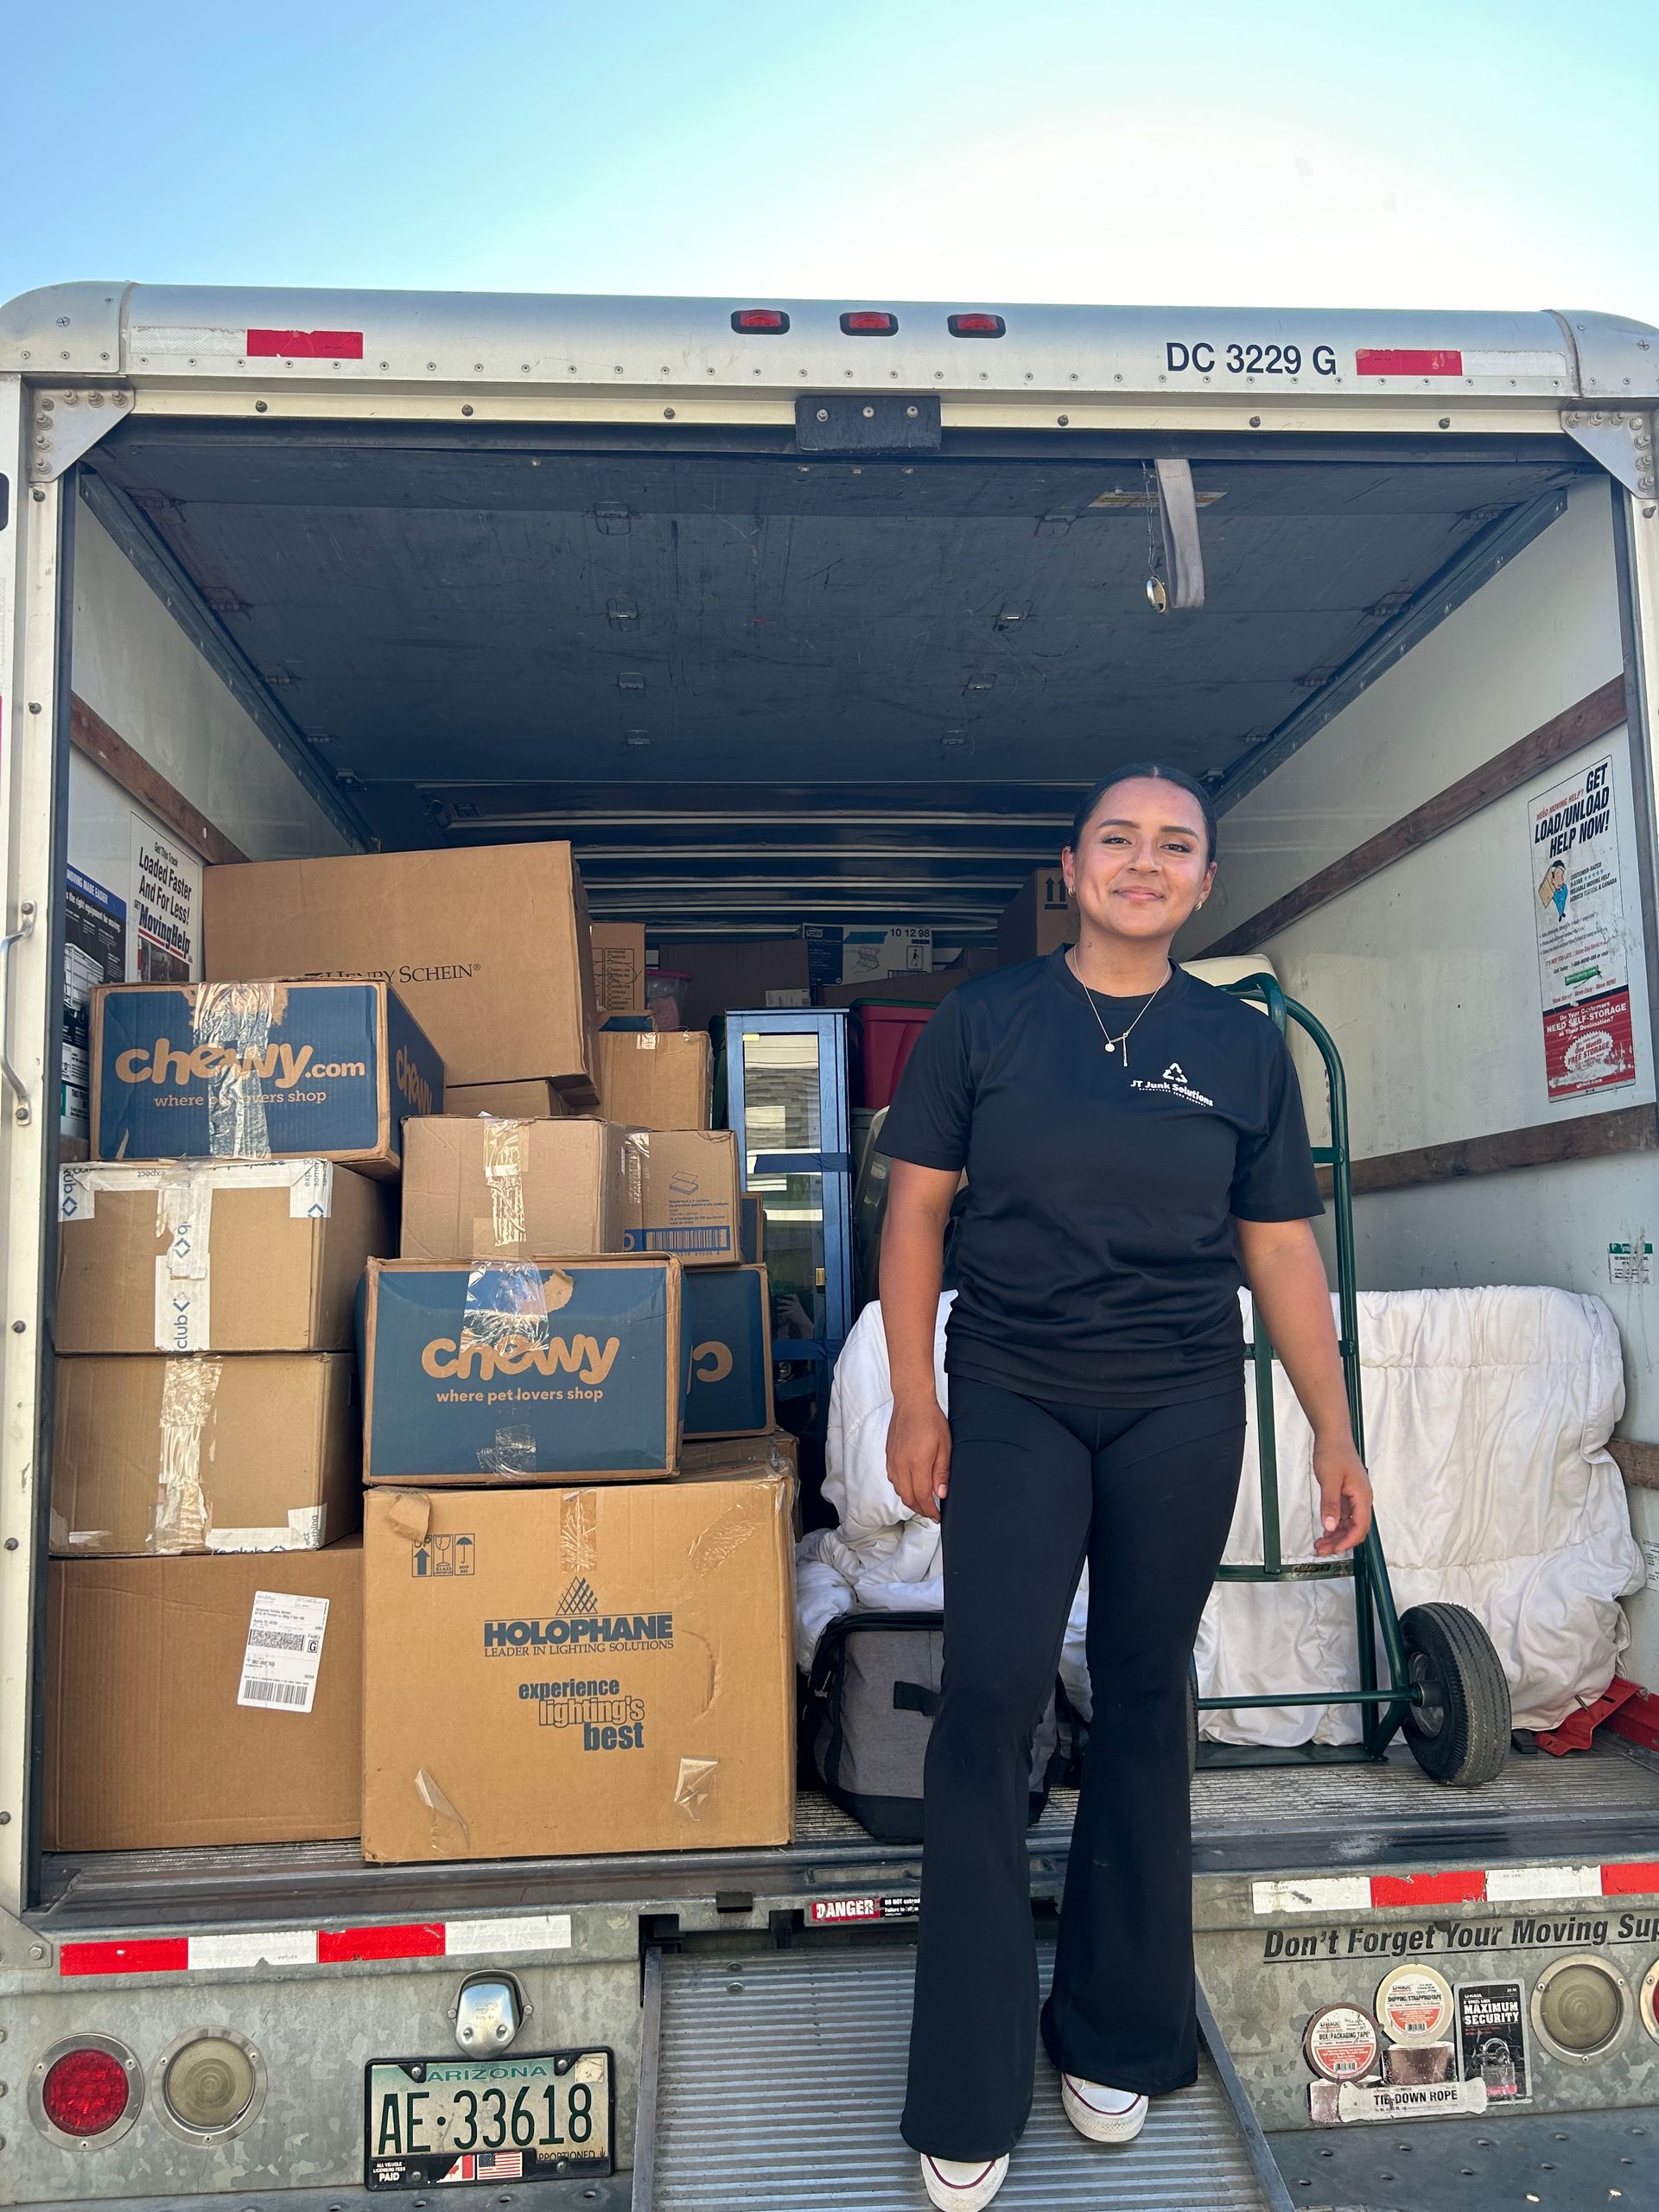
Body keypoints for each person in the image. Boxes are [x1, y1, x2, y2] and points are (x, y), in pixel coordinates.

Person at [876, 763, 1372, 2209]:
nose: (1144, 863)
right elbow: (915, 1212)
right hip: (1017, 1395)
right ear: (1074, 866)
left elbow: (1279, 1249)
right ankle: (966, 2084)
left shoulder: (1242, 1046)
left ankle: (1116, 2033)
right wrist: (917, 1397)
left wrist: (1334, 1431)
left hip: (1179, 1403)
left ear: (1204, 882)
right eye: (1118, 839)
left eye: (1174, 846)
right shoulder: (985, 1021)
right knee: (990, 1698)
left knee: (1151, 1696)